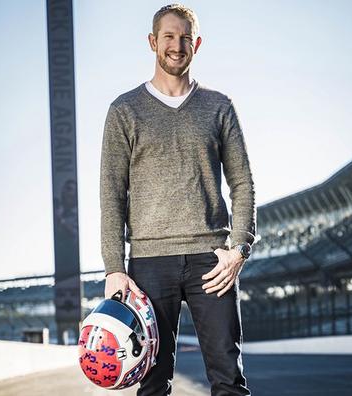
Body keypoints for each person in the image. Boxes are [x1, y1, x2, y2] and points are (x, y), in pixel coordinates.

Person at [100, 4, 256, 395]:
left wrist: (239, 248)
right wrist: (113, 268)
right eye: (168, 36)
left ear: (197, 44)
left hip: (212, 261)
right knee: (151, 384)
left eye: (185, 37)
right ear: (153, 42)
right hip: (149, 265)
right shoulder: (124, 110)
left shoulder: (220, 106)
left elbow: (243, 183)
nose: (177, 45)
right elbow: (111, 193)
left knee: (229, 381)